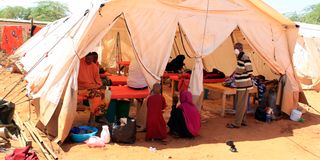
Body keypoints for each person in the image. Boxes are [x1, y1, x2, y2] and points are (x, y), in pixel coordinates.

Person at [226, 43, 253, 128]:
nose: (234, 50)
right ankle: (243, 121)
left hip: (243, 85)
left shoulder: (245, 57)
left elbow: (250, 71)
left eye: (235, 48)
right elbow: (239, 68)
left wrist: (241, 76)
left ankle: (237, 123)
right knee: (242, 104)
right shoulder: (240, 57)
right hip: (241, 85)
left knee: (240, 104)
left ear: (239, 48)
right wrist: (233, 74)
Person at [78, 52, 106, 125]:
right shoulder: (79, 64)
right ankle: (93, 117)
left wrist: (98, 85)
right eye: (88, 58)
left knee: (107, 93)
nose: (89, 60)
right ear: (85, 58)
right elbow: (81, 82)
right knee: (97, 95)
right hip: (81, 89)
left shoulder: (94, 66)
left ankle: (99, 115)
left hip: (92, 88)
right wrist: (94, 86)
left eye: (91, 59)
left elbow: (98, 81)